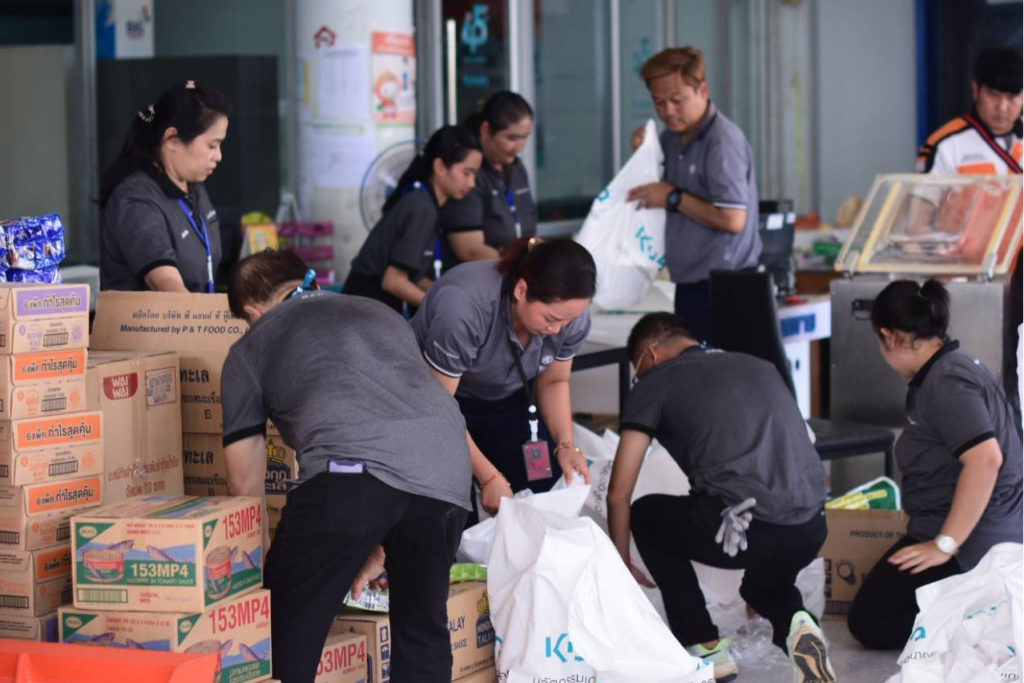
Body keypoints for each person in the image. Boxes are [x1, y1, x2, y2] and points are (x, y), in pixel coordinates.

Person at [222, 250, 472, 682]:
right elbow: (390, 425)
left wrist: (262, 573)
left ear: (251, 312)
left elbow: (245, 480)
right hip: (447, 470)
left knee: (286, 630)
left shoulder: (250, 347)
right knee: (422, 631)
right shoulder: (379, 311)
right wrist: (373, 537)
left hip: (351, 475)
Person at [607, 312, 835, 683]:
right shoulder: (760, 366)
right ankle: (799, 623)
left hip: (742, 529)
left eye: (638, 369)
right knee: (761, 587)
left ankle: (704, 644)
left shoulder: (653, 383)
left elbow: (619, 492)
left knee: (646, 513)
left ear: (649, 354)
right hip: (811, 526)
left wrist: (619, 563)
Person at [847, 279, 1023, 650]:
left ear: (889, 336)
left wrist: (945, 544)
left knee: (870, 621)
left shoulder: (947, 382)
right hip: (954, 526)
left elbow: (986, 460)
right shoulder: (943, 372)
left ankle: (987, 611)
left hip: (975, 541)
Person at [410, 237, 593, 521]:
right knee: (455, 511)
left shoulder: (572, 316)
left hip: (508, 400)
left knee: (546, 500)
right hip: (437, 403)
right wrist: (489, 476)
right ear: (521, 290)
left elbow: (555, 381)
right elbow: (439, 408)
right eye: (550, 319)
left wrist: (566, 446)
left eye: (567, 321)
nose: (558, 330)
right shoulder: (464, 307)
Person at [626, 47, 761, 342]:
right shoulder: (672, 137)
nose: (668, 112)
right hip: (690, 282)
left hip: (725, 287)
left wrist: (673, 197)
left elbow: (733, 218)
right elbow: (658, 189)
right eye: (659, 103)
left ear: (702, 89)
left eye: (677, 101)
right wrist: (643, 152)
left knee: (720, 377)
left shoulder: (721, 142)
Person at [99, 80, 231, 293]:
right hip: (153, 325)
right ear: (172, 138)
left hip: (198, 322)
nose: (218, 156)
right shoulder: (136, 199)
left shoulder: (194, 187)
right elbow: (167, 285)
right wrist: (209, 322)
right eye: (211, 146)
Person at [345, 125, 482, 313]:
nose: (472, 183)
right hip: (364, 313)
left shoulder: (423, 201)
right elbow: (393, 281)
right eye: (466, 173)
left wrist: (448, 295)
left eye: (475, 174)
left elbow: (412, 276)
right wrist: (442, 307)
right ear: (440, 166)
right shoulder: (422, 208)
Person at [439, 91, 537, 268]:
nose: (520, 147)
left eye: (525, 137)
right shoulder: (469, 174)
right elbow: (468, 248)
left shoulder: (516, 167)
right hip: (478, 279)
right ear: (486, 130)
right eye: (512, 138)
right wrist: (520, 267)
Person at [917, 47, 1022, 176]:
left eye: (1011, 98)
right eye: (994, 95)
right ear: (976, 89)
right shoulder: (944, 144)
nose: (1002, 107)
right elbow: (922, 196)